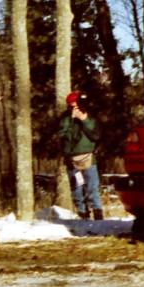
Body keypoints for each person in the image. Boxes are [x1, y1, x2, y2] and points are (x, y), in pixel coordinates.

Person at [58, 91, 104, 220]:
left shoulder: (91, 117)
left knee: (92, 188)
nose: (75, 109)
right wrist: (73, 121)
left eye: (76, 106)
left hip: (88, 158)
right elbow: (65, 136)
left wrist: (84, 120)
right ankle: (82, 214)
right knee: (77, 189)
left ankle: (98, 214)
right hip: (72, 160)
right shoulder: (65, 119)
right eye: (72, 106)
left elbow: (96, 136)